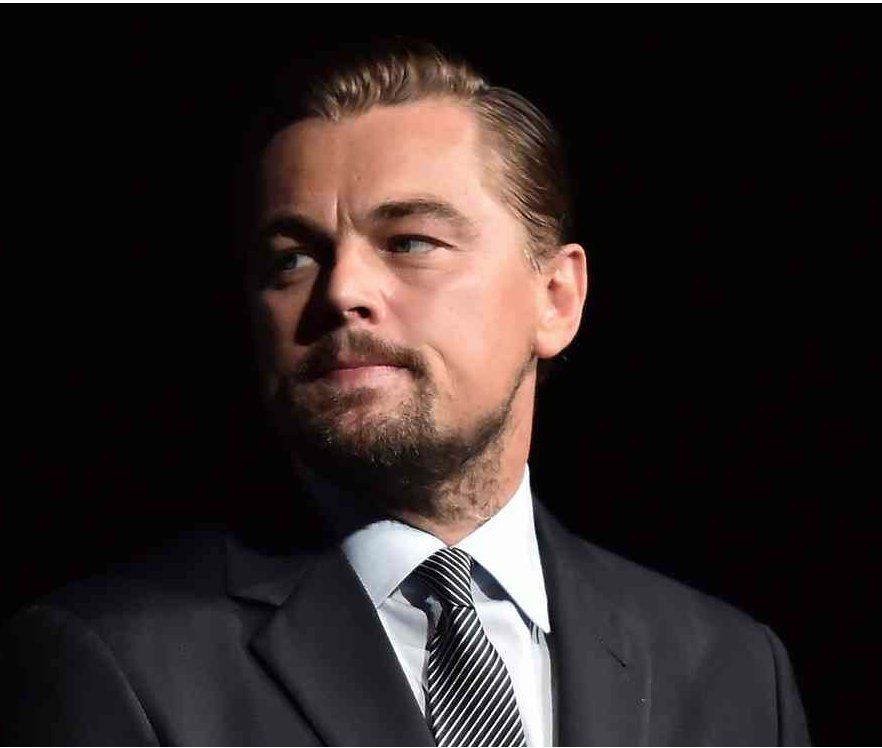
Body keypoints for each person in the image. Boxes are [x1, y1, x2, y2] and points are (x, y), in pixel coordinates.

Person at [1, 39, 809, 746]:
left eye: (411, 241)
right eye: (291, 259)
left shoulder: (734, 670)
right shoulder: (113, 661)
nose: (341, 290)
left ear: (556, 298)